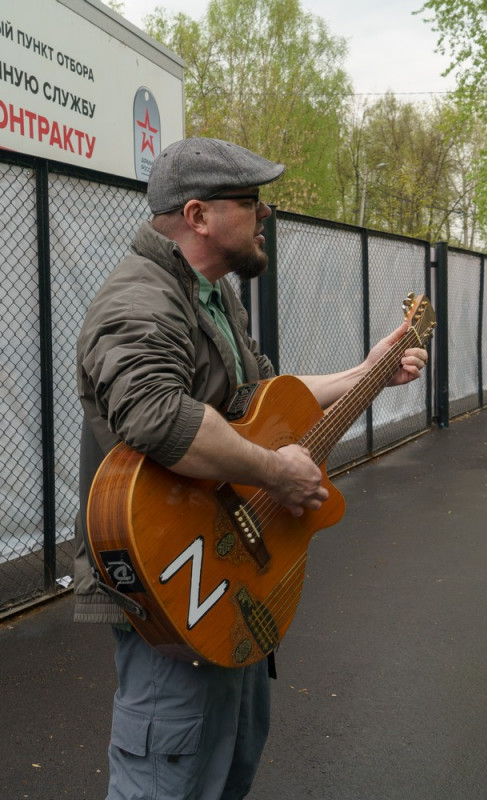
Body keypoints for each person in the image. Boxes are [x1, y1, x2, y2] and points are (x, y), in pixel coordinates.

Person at [73, 137, 426, 800]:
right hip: (170, 575)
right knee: (166, 776)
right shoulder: (139, 300)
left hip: (229, 567)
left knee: (228, 766)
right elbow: (155, 414)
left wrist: (369, 372)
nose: (264, 214)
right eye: (251, 201)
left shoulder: (210, 298)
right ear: (199, 216)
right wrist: (274, 472)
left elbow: (261, 403)